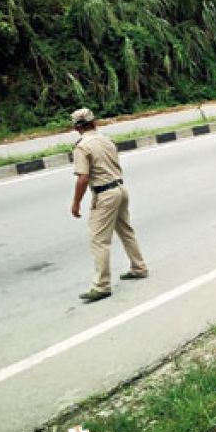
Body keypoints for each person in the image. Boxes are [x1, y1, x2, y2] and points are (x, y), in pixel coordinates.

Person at [70, 108, 148, 303]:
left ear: (75, 127)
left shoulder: (82, 147)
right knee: (126, 230)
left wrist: (76, 203)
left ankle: (101, 285)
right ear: (94, 123)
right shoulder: (107, 140)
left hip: (104, 194)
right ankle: (139, 267)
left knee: (99, 240)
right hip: (120, 189)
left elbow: (83, 178)